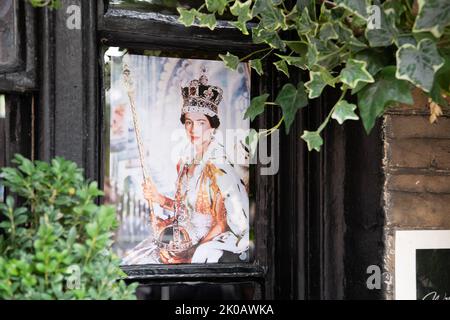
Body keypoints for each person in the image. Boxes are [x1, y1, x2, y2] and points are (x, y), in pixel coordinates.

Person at [122, 68, 249, 265]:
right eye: (189, 122)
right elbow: (185, 210)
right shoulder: (187, 163)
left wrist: (190, 253)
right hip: (184, 239)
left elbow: (221, 223)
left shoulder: (218, 167)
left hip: (206, 244)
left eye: (200, 122)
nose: (193, 129)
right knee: (135, 259)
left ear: (212, 125)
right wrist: (159, 199)